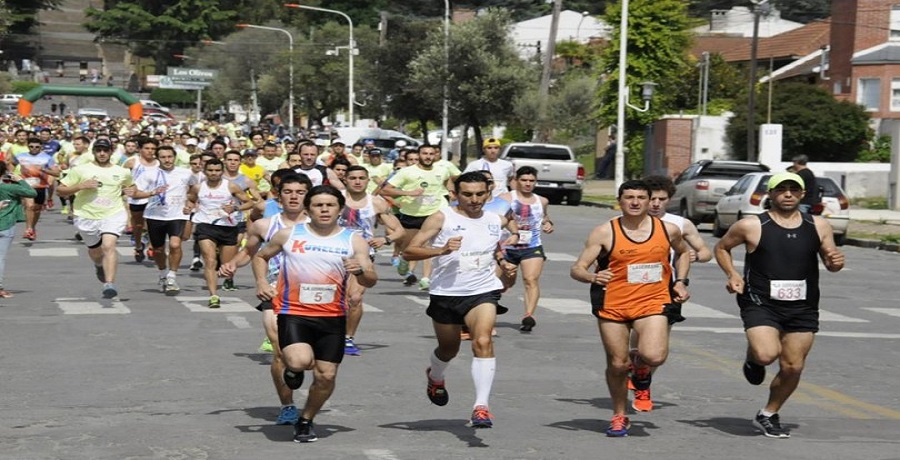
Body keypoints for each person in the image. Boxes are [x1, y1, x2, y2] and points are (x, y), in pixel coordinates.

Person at [714, 172, 844, 439]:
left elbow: (831, 261)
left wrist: (835, 262)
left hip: (803, 305)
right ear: (770, 195)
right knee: (765, 355)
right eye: (781, 189)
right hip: (760, 301)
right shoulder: (751, 225)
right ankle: (753, 358)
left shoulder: (818, 225)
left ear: (802, 194)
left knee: (793, 367)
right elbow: (721, 248)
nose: (787, 194)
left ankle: (769, 413)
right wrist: (733, 275)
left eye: (793, 190)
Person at [252, 185, 377, 443]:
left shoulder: (353, 240)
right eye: (318, 205)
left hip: (332, 317)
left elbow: (371, 279)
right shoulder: (289, 234)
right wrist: (262, 283)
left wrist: (360, 272)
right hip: (294, 312)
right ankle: (293, 370)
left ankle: (306, 419)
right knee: (300, 362)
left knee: (326, 376)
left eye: (330, 205)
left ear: (339, 209)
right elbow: (261, 257)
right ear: (308, 209)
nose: (324, 210)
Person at [569, 179, 691, 437]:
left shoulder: (667, 229)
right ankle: (619, 415)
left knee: (655, 356)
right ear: (620, 200)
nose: (635, 202)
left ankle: (642, 365)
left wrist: (680, 282)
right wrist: (592, 277)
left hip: (653, 301)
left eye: (641, 198)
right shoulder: (604, 232)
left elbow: (683, 253)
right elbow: (577, 268)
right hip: (614, 304)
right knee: (617, 364)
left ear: (650, 201)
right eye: (629, 197)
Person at [404, 171, 518, 429]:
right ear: (455, 194)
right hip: (446, 293)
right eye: (467, 194)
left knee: (483, 340)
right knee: (449, 349)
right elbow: (409, 250)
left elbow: (492, 245)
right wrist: (441, 250)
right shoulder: (442, 218)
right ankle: (435, 375)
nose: (474, 199)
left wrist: (503, 262)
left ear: (488, 194)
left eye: (480, 194)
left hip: (482, 291)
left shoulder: (494, 219)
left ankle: (481, 407)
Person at [219, 173, 311, 426]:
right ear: (278, 196)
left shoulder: (320, 224)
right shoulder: (264, 225)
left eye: (300, 192)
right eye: (288, 192)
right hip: (275, 291)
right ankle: (288, 405)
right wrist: (232, 265)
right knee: (280, 351)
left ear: (308, 196)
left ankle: (297, 367)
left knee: (308, 357)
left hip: (313, 296)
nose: (293, 196)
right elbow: (249, 253)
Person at [624, 174, 713, 411]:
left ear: (669, 200)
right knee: (635, 341)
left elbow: (705, 252)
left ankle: (644, 383)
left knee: (656, 343)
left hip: (667, 289)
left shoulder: (680, 225)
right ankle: (636, 368)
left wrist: (695, 255)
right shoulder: (626, 221)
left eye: (661, 199)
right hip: (630, 288)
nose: (655, 204)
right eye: (651, 199)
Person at [339, 165, 405, 355]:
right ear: (345, 180)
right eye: (353, 178)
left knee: (355, 298)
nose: (358, 181)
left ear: (368, 181)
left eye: (362, 178)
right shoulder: (335, 199)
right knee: (337, 299)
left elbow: (399, 230)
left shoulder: (376, 203)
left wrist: (385, 239)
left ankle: (348, 339)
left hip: (363, 254)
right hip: (335, 252)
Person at [57, 139, 136, 299]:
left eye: (105, 150)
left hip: (113, 213)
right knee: (95, 251)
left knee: (109, 246)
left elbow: (131, 186)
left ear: (111, 152)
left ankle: (109, 284)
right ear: (93, 152)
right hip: (86, 215)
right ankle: (99, 265)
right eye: (98, 150)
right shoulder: (80, 170)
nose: (102, 153)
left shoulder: (122, 171)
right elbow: (60, 190)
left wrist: (131, 191)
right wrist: (80, 186)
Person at [380, 144, 454, 289]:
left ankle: (426, 278)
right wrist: (409, 193)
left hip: (435, 212)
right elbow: (385, 190)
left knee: (429, 246)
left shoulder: (443, 170)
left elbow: (448, 184)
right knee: (408, 249)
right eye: (425, 153)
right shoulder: (407, 172)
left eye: (431, 154)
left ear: (436, 155)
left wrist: (451, 193)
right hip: (412, 214)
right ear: (419, 155)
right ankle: (403, 259)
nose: (428, 156)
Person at [184, 158, 255, 308]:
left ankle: (222, 275)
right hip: (205, 226)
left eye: (217, 171)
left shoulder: (231, 186)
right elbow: (191, 199)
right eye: (210, 170)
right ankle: (213, 295)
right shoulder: (198, 187)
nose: (214, 173)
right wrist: (188, 208)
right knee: (209, 261)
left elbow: (249, 202)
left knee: (226, 266)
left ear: (222, 172)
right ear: (205, 171)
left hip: (227, 227)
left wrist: (235, 209)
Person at [131, 145, 195, 295]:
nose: (167, 160)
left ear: (174, 157)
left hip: (177, 214)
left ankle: (172, 276)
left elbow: (194, 190)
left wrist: (190, 204)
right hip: (155, 215)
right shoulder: (149, 174)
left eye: (170, 157)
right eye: (163, 157)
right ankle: (162, 273)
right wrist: (152, 193)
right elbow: (135, 193)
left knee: (175, 244)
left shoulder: (186, 173)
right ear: (158, 158)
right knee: (158, 249)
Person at [496, 166, 554, 332]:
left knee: (531, 280)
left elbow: (544, 216)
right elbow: (494, 219)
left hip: (532, 246)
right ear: (516, 181)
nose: (528, 184)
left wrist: (548, 223)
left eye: (531, 181)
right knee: (505, 281)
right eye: (524, 180)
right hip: (507, 247)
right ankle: (495, 296)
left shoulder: (541, 201)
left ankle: (529, 315)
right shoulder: (505, 198)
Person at [10, 136, 61, 240]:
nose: (34, 148)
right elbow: (11, 163)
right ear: (28, 146)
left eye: (37, 147)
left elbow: (56, 173)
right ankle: (28, 229)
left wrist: (44, 170)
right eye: (31, 146)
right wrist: (13, 173)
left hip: (40, 186)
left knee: (37, 209)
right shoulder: (21, 156)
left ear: (41, 147)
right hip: (25, 185)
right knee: (30, 206)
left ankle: (32, 228)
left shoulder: (47, 157)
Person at [0, 162, 37, 298]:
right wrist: (20, 180)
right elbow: (31, 193)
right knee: (0, 258)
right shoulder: (9, 188)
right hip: (6, 224)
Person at [123, 137, 160, 262]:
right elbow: (121, 177)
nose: (150, 151)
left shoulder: (159, 163)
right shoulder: (132, 162)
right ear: (140, 149)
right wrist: (125, 189)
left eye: (153, 149)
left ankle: (151, 246)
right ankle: (138, 246)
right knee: (138, 225)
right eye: (147, 148)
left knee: (152, 225)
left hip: (154, 199)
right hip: (137, 198)